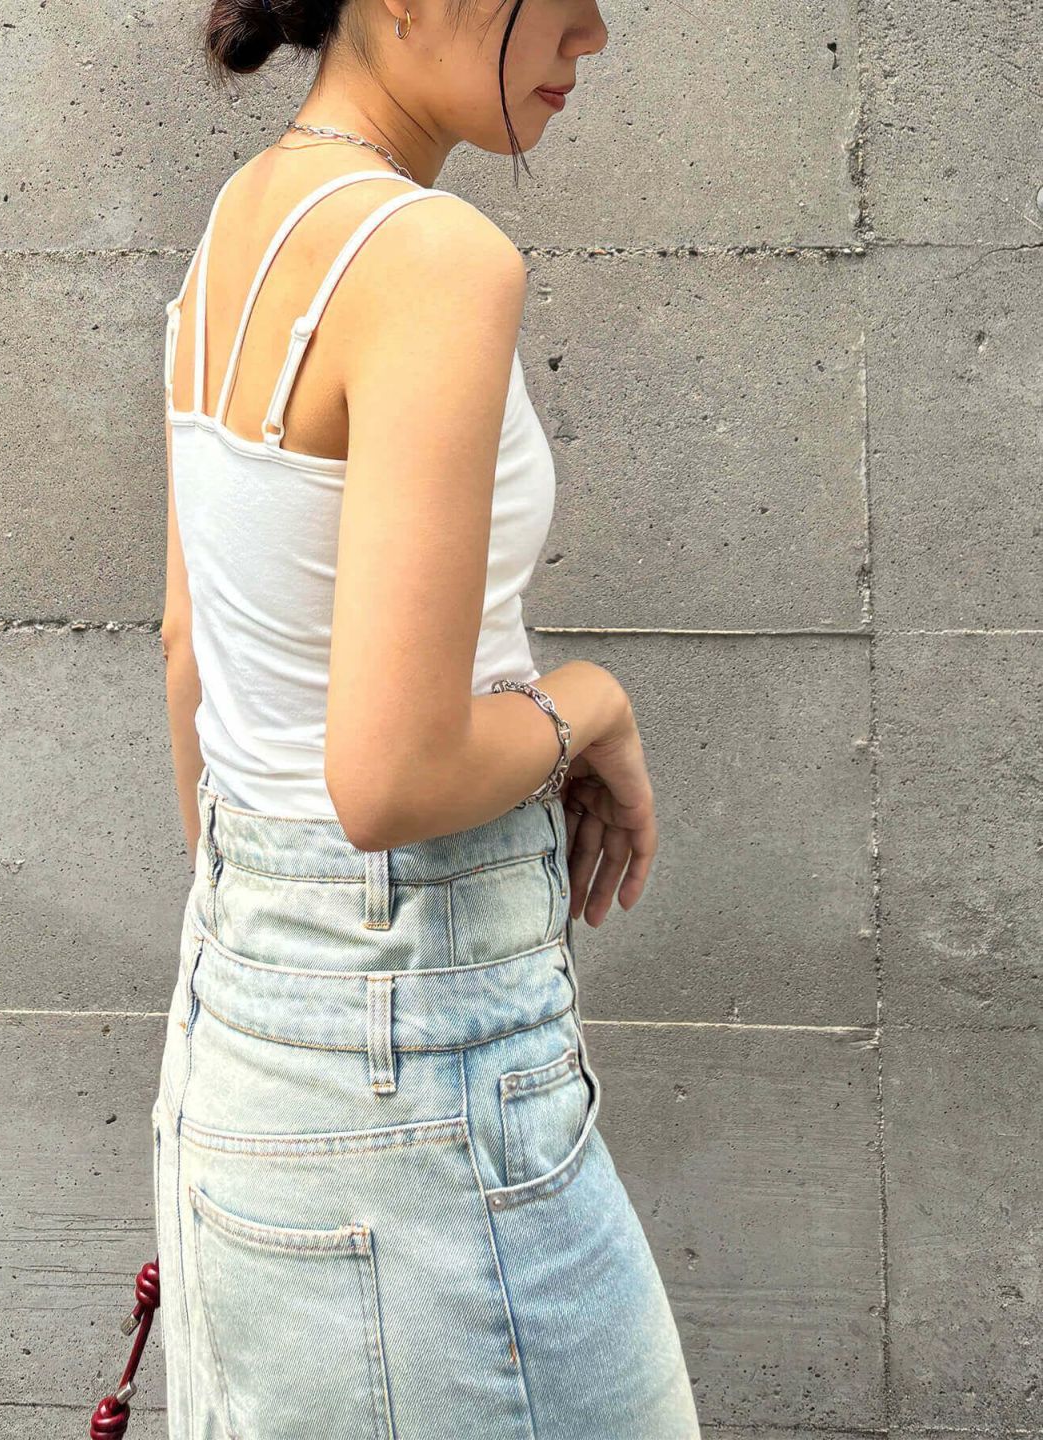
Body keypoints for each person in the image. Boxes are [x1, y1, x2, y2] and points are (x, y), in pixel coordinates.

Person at [151, 2, 702, 1435]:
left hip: (241, 1046)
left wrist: (284, 971)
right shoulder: (433, 256)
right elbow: (391, 777)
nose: (593, 33)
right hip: (420, 1079)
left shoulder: (237, 225)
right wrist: (590, 703)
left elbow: (190, 654)